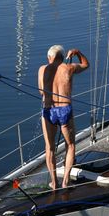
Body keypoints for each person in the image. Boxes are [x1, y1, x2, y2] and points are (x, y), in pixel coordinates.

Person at [38, 45, 89, 190]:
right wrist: (78, 52)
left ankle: (54, 183)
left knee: (50, 147)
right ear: (63, 56)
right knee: (70, 145)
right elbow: (86, 64)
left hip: (49, 110)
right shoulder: (68, 68)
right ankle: (65, 181)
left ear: (50, 58)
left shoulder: (42, 70)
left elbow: (41, 92)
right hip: (65, 110)